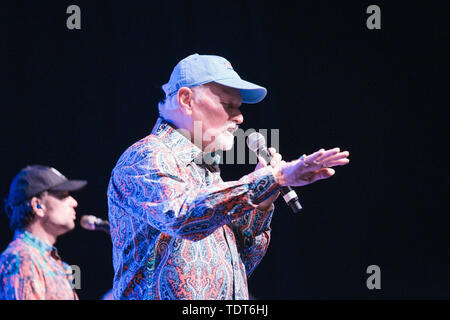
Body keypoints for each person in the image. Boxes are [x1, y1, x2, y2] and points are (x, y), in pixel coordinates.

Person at [107, 53, 350, 300]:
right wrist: (271, 178)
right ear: (186, 100)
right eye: (228, 104)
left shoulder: (208, 172)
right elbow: (182, 218)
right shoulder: (146, 157)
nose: (240, 117)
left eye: (239, 107)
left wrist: (263, 201)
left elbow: (238, 267)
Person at [0, 165, 87, 300]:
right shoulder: (21, 258)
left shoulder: (60, 266)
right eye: (63, 196)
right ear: (37, 206)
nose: (74, 202)